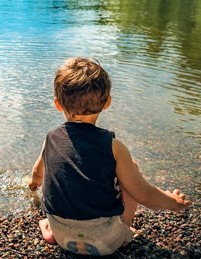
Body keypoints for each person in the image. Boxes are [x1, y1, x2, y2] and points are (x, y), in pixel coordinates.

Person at [28, 58, 192, 256]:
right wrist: (174, 202)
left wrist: (33, 184)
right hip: (105, 241)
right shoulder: (113, 146)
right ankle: (125, 233)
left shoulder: (51, 138)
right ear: (107, 103)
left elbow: (38, 173)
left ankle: (50, 230)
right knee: (130, 168)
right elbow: (144, 194)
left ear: (57, 104)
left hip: (62, 235)